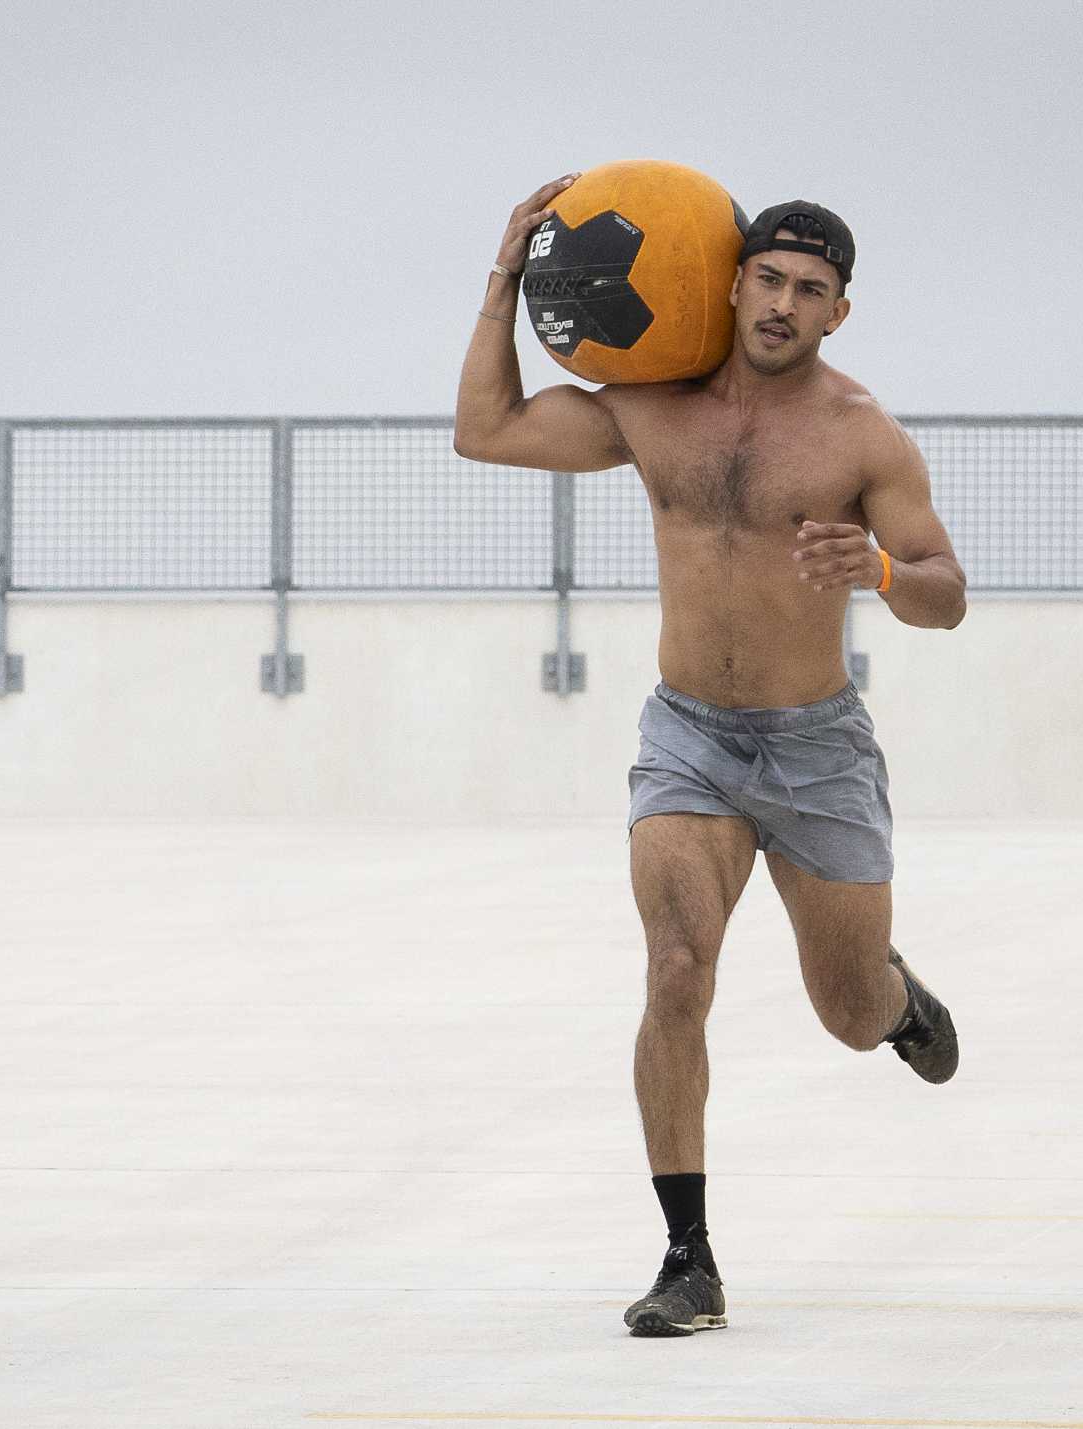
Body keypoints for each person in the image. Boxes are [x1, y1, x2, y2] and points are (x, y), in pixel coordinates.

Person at [453, 174, 967, 1337]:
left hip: (813, 746)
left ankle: (892, 1001)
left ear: (839, 312)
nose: (783, 304)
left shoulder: (860, 435)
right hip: (687, 734)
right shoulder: (651, 405)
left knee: (840, 1008)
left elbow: (946, 592)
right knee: (676, 968)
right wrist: (501, 283)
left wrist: (880, 573)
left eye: (811, 291)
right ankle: (687, 1258)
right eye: (770, 280)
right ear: (731, 282)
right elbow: (482, 430)